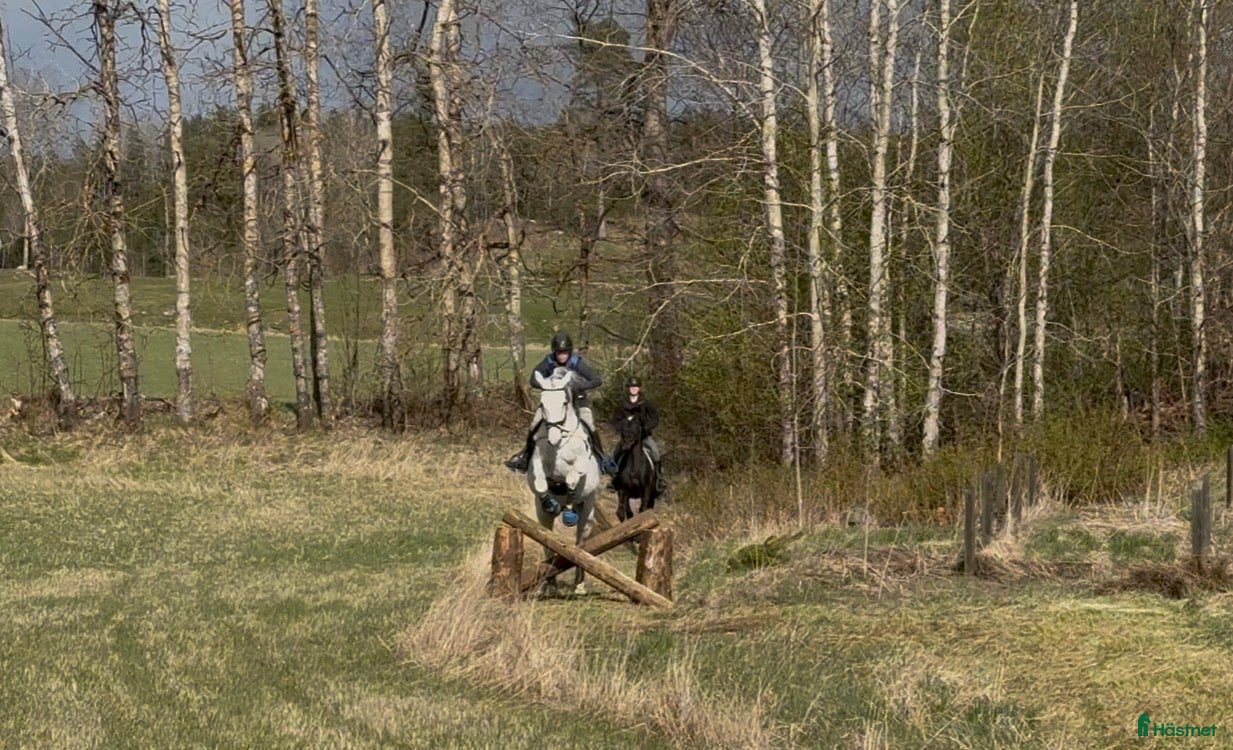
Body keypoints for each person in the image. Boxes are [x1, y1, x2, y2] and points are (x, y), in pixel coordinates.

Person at [505, 331, 614, 474]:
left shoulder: (577, 362)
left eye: (564, 353)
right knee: (535, 423)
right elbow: (533, 379)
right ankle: (525, 457)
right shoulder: (548, 362)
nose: (561, 356)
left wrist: (579, 386)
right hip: (555, 402)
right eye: (558, 353)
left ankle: (601, 459)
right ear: (554, 352)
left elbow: (596, 380)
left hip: (578, 400)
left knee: (589, 423)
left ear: (569, 352)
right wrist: (547, 386)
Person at [610, 376, 666, 493]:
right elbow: (615, 421)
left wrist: (646, 427)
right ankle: (614, 479)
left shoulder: (646, 403)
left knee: (655, 452)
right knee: (617, 452)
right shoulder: (622, 404)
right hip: (628, 438)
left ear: (639, 388)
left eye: (636, 386)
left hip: (644, 436)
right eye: (631, 387)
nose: (634, 389)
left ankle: (659, 478)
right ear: (628, 388)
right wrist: (624, 426)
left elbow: (655, 418)